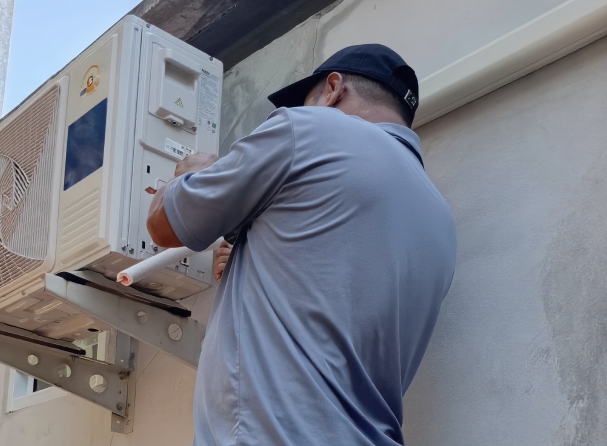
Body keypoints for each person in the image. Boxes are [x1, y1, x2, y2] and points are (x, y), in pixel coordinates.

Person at [147, 44, 457, 446]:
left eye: (307, 100)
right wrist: (249, 260)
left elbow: (165, 226)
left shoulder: (311, 128)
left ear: (333, 89)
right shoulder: (439, 216)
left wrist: (190, 175)